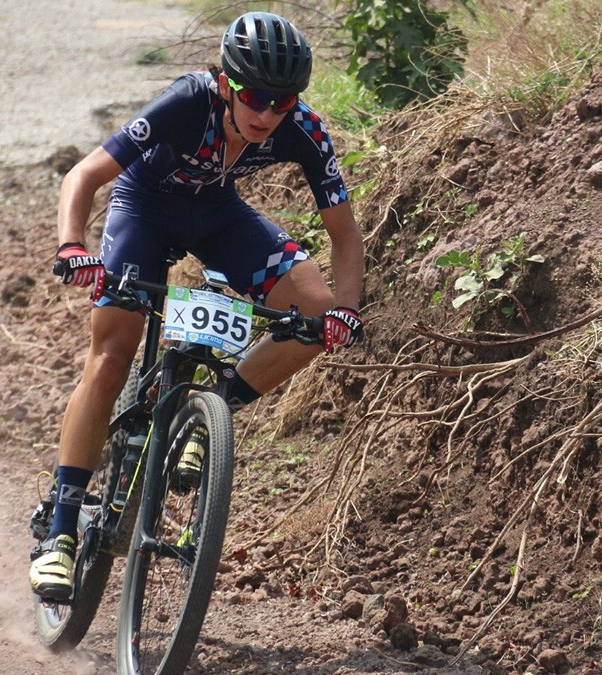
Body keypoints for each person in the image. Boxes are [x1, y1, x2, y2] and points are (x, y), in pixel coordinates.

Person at [29, 11, 365, 601]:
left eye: (282, 101)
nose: (268, 114)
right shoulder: (189, 100)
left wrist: (347, 310)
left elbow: (344, 233)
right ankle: (60, 530)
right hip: (144, 210)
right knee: (111, 357)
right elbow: (84, 175)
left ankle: (212, 411)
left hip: (218, 216)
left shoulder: (302, 129)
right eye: (256, 97)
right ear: (227, 84)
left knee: (315, 316)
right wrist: (72, 245)